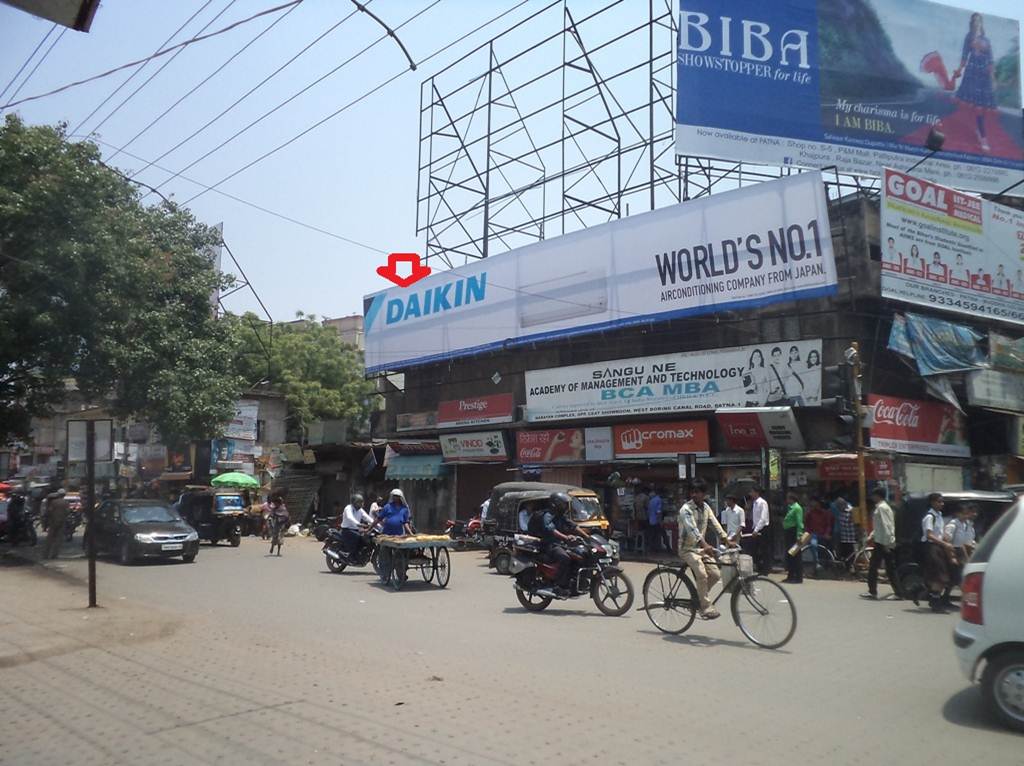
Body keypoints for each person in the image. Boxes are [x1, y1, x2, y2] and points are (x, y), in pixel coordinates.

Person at [678, 481, 732, 619]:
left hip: (700, 549)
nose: (694, 495)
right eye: (692, 492)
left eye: (698, 492)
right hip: (687, 549)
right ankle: (705, 607)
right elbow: (692, 530)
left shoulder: (706, 507)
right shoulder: (686, 509)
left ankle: (698, 598)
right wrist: (705, 545)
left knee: (715, 574)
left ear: (704, 494)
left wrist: (726, 539)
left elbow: (715, 524)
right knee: (701, 574)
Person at [530, 492, 586, 597]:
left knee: (579, 555)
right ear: (556, 504)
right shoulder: (548, 515)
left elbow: (573, 526)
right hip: (548, 545)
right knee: (564, 558)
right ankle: (559, 586)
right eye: (563, 504)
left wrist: (587, 536)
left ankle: (572, 583)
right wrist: (566, 537)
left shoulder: (560, 516)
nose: (565, 507)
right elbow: (551, 529)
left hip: (560, 544)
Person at [954, 13, 997, 153]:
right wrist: (959, 70)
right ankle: (983, 137)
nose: (977, 22)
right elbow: (964, 54)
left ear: (981, 22)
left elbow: (990, 59)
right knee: (977, 108)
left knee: (981, 107)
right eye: (974, 20)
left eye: (979, 20)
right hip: (972, 73)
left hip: (984, 75)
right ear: (972, 22)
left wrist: (993, 78)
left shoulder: (987, 40)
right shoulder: (969, 36)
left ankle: (980, 131)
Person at [921, 493, 956, 612]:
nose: (942, 504)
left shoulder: (939, 515)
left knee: (943, 575)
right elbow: (930, 535)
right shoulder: (930, 517)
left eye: (942, 502)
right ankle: (935, 603)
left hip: (940, 547)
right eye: (939, 501)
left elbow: (941, 533)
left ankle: (934, 599)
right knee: (938, 577)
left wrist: (947, 541)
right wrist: (944, 544)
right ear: (932, 502)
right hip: (932, 547)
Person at [862, 489, 897, 600]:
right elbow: (879, 527)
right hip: (881, 541)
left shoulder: (882, 508)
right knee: (888, 567)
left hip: (883, 542)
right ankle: (897, 592)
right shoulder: (882, 507)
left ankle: (873, 592)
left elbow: (887, 526)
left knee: (876, 567)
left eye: (873, 495)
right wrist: (871, 536)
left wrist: (888, 543)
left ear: (877, 496)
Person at [943, 503, 977, 585]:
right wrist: (952, 557)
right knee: (959, 575)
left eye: (966, 514)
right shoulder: (953, 525)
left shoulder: (965, 525)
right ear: (957, 514)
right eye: (964, 514)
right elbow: (947, 541)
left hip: (963, 551)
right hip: (955, 551)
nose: (966, 516)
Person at [804, 497, 833, 575]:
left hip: (822, 535)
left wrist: (827, 533)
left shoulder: (825, 513)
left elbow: (828, 525)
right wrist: (807, 533)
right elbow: (806, 524)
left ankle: (822, 565)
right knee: (796, 548)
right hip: (811, 534)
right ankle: (816, 563)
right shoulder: (810, 513)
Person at [749, 485, 772, 575]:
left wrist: (756, 529)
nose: (751, 494)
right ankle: (759, 567)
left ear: (756, 492)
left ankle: (766, 569)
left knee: (764, 550)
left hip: (763, 528)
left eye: (752, 492)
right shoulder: (754, 503)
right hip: (756, 528)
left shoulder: (762, 503)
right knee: (755, 549)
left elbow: (763, 518)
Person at [782, 492, 804, 584]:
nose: (787, 500)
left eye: (788, 498)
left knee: (796, 555)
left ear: (792, 499)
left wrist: (799, 535)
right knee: (790, 555)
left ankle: (798, 577)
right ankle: (790, 575)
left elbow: (799, 522)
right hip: (788, 533)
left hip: (794, 533)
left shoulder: (797, 508)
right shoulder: (790, 508)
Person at [830, 493, 857, 565]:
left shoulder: (851, 511)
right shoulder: (841, 512)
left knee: (850, 552)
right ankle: (846, 565)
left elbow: (854, 522)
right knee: (843, 552)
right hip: (843, 536)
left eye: (839, 506)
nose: (838, 508)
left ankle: (850, 566)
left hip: (850, 536)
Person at [43, 489, 68, 559]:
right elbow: (67, 512)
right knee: (58, 539)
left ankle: (46, 554)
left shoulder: (53, 502)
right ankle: (54, 555)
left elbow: (49, 511)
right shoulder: (66, 503)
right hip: (62, 522)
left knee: (49, 539)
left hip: (53, 522)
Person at [646, 487, 670, 553]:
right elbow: (658, 512)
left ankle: (651, 549)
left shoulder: (651, 500)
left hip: (651, 521)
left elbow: (648, 512)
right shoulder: (659, 500)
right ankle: (668, 549)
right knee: (663, 535)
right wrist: (660, 522)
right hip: (657, 521)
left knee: (653, 536)